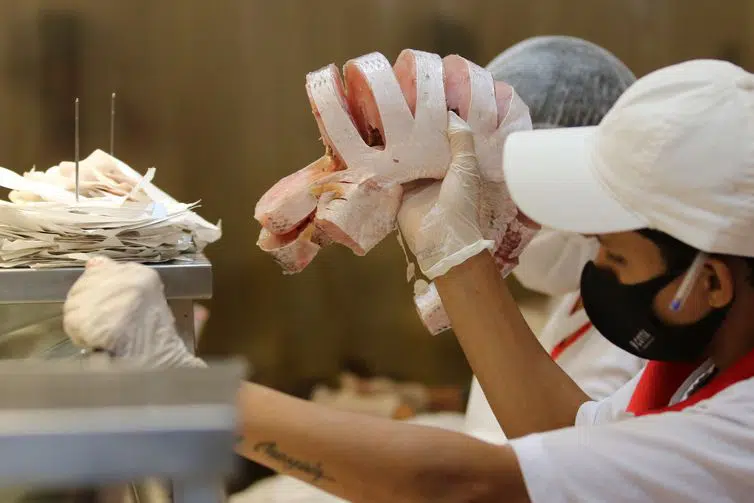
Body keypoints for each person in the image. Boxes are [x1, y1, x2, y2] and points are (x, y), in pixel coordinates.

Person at [63, 57, 754, 502]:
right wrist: (453, 253)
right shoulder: (701, 370)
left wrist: (182, 387)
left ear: (713, 282)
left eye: (615, 257)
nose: (595, 270)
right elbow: (566, 430)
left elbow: (457, 483)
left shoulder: (741, 429)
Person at [465, 36, 646, 444]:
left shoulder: (646, 330)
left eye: (531, 194)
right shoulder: (574, 299)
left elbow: (568, 458)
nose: (509, 222)